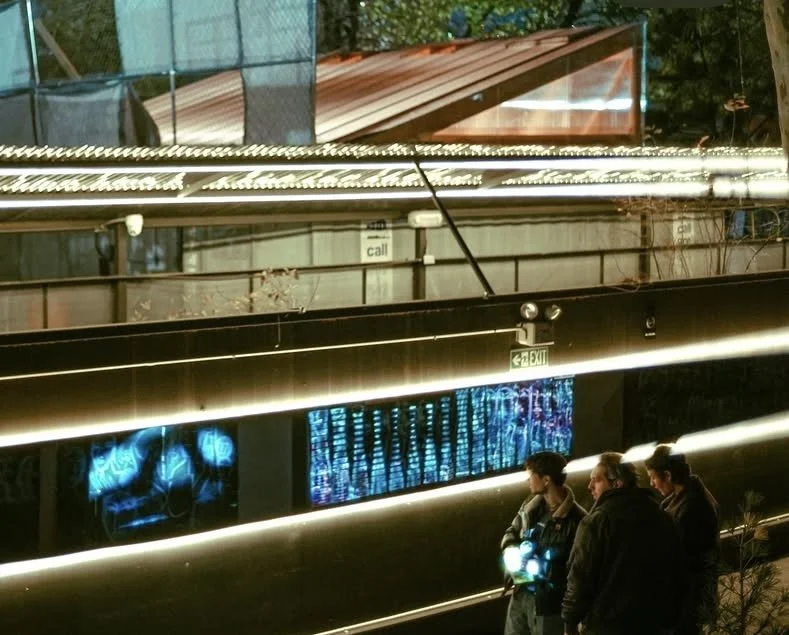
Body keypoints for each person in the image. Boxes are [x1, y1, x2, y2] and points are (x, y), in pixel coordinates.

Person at [562, 452, 684, 635]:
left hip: (608, 627)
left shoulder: (596, 523)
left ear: (617, 483)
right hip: (654, 624)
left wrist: (570, 623)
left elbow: (580, 577)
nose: (589, 487)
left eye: (596, 480)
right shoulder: (663, 518)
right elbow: (676, 572)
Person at [501, 451, 587, 635]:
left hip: (549, 604)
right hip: (521, 592)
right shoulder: (531, 506)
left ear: (546, 479)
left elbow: (579, 571)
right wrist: (511, 550)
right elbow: (512, 532)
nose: (528, 481)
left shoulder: (578, 521)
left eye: (531, 476)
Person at [646, 444, 720, 635]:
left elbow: (681, 561)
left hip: (686, 602)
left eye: (654, 478)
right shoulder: (685, 498)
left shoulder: (689, 509)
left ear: (668, 476)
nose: (652, 484)